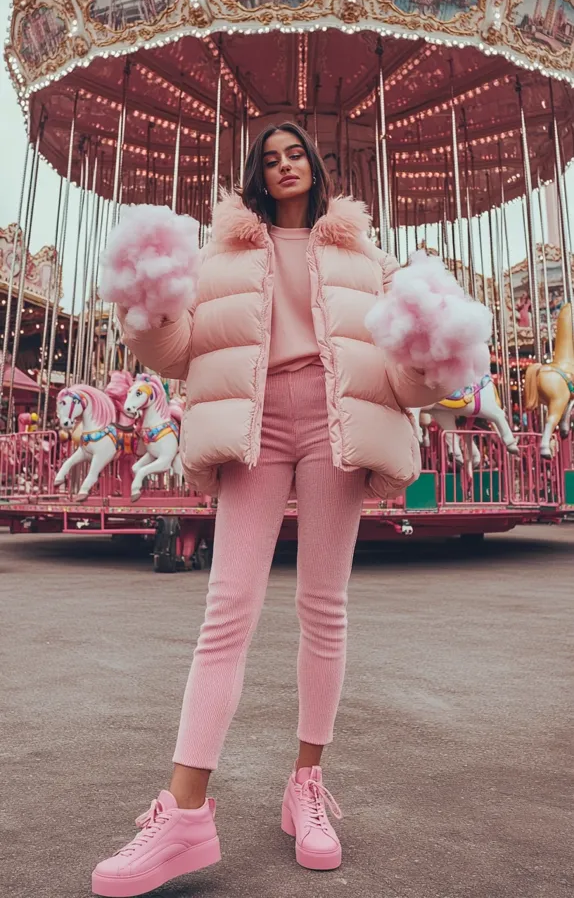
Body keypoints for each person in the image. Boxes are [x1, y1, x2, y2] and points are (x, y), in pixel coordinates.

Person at [92, 123, 455, 897]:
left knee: (324, 608)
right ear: (256, 175)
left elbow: (400, 378)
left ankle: (307, 785)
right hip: (253, 421)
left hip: (337, 421)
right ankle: (185, 813)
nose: (284, 165)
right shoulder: (221, 255)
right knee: (227, 609)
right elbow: (180, 351)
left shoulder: (368, 259)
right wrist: (148, 311)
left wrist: (434, 365)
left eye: (296, 154)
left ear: (316, 167)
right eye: (269, 157)